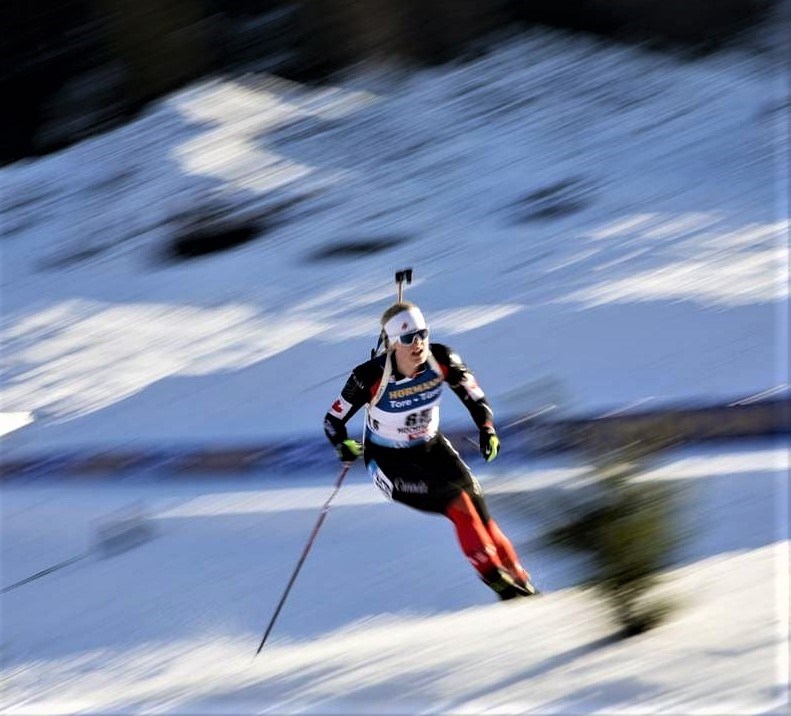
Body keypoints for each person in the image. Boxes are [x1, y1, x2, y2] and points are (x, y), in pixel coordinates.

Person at [323, 300, 537, 600]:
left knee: (480, 511)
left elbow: (474, 396)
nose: (419, 343)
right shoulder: (369, 376)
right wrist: (342, 445)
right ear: (394, 343)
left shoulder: (442, 358)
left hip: (431, 447)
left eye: (423, 334)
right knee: (459, 503)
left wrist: (486, 428)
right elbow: (332, 420)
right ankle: (497, 581)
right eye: (409, 338)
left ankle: (522, 581)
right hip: (389, 462)